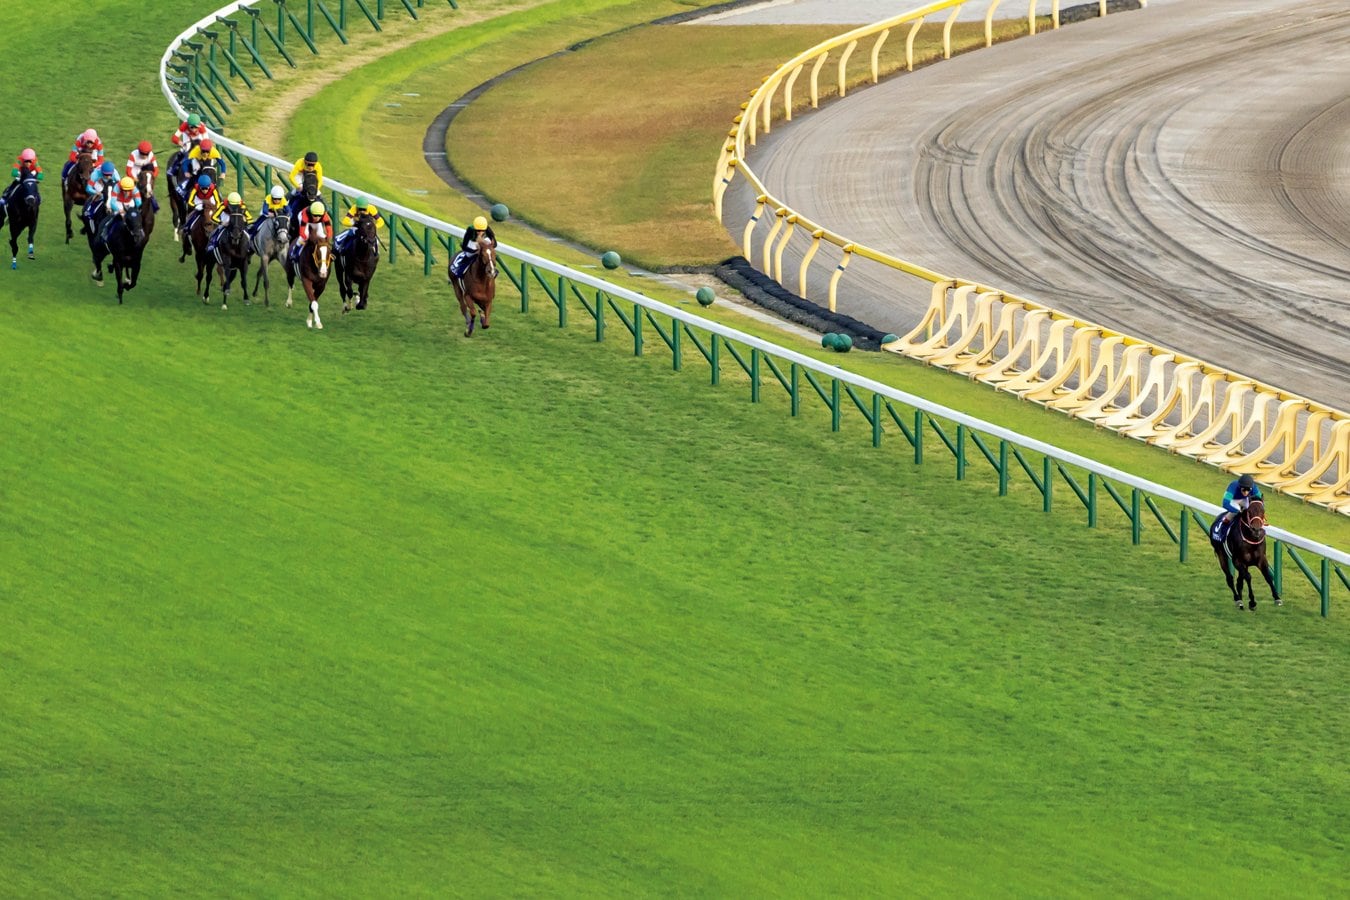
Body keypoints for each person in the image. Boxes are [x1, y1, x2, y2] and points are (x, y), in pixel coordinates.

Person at [1213, 473, 1262, 544]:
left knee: (1252, 510)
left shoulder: (1254, 487)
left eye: (1248, 490)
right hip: (1233, 500)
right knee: (1236, 510)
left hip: (1244, 500)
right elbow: (1225, 503)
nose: (1246, 492)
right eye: (1244, 490)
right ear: (1239, 487)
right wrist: (1237, 511)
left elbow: (1260, 502)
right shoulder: (1233, 486)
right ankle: (1222, 530)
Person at [96, 175, 143, 244]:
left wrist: (136, 211)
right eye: (124, 190)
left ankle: (139, 231)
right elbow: (112, 202)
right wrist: (118, 210)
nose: (127, 192)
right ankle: (104, 232)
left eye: (129, 190)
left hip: (129, 202)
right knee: (114, 216)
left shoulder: (135, 189)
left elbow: (138, 202)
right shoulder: (117, 187)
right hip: (118, 202)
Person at [180, 173, 221, 247]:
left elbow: (218, 202)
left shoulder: (214, 189)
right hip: (199, 200)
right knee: (194, 213)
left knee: (218, 214)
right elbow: (190, 201)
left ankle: (221, 226)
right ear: (199, 187)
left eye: (206, 188)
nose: (204, 190)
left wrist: (214, 208)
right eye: (202, 188)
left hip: (210, 199)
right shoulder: (195, 188)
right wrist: (196, 206)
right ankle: (187, 227)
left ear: (209, 186)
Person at [449, 215, 496, 280]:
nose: (480, 232)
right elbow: (464, 246)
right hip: (473, 242)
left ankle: (493, 269)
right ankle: (459, 270)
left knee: (489, 255)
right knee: (469, 255)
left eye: (482, 231)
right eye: (478, 231)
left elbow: (495, 244)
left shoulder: (488, 229)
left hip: (484, 243)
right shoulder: (470, 230)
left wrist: (486, 246)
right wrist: (475, 252)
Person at [290, 199, 332, 264]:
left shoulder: (325, 216)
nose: (317, 218)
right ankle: (294, 252)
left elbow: (329, 229)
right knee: (304, 236)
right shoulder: (305, 216)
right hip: (303, 216)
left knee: (322, 235)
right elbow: (302, 232)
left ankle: (328, 253)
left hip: (314, 221)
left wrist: (327, 239)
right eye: (315, 215)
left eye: (319, 216)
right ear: (311, 213)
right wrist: (307, 239)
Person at [285, 151, 324, 220]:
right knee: (297, 190)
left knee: (317, 193)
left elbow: (320, 180)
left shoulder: (318, 166)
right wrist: (297, 186)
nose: (310, 167)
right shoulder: (299, 163)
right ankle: (285, 202)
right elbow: (291, 176)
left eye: (313, 165)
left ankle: (325, 208)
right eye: (309, 164)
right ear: (305, 162)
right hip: (300, 176)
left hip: (311, 179)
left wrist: (316, 189)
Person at [125, 140, 160, 211]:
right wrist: (134, 179)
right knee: (129, 187)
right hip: (134, 172)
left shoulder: (151, 155)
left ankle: (154, 205)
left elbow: (156, 170)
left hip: (144, 172)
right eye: (142, 154)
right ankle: (128, 203)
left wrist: (151, 177)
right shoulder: (133, 155)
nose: (144, 156)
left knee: (149, 188)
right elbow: (128, 170)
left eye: (146, 154)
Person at [83, 160, 119, 226]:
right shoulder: (95, 174)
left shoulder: (115, 174)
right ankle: (90, 210)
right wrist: (97, 193)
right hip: (98, 182)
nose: (108, 176)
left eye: (109, 175)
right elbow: (88, 189)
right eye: (105, 175)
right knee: (101, 196)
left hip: (110, 183)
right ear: (102, 172)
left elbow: (119, 186)